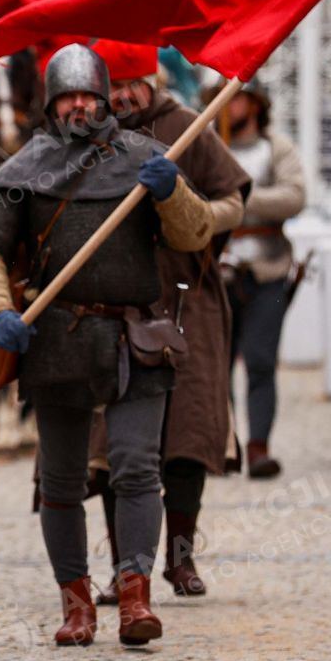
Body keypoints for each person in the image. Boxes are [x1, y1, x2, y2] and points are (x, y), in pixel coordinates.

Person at [0, 44, 219, 648]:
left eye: (88, 95)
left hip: (136, 334)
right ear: (51, 104)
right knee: (61, 481)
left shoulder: (147, 158)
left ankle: (135, 598)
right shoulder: (24, 168)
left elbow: (196, 234)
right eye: (67, 97)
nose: (78, 106)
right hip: (58, 337)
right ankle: (76, 605)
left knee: (137, 469)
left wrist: (172, 194)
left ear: (105, 100)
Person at [93, 46, 247, 602]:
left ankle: (179, 560)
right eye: (113, 85)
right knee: (112, 448)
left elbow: (233, 202)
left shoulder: (187, 126)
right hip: (111, 304)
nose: (123, 95)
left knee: (186, 438)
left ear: (151, 79)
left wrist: (191, 210)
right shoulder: (86, 136)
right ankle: (125, 569)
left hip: (185, 300)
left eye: (132, 83)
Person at [213, 82, 305, 488]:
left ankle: (258, 447)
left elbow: (295, 196)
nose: (230, 106)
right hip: (218, 269)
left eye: (237, 97)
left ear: (253, 103)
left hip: (268, 269)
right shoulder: (210, 146)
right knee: (218, 365)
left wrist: (242, 198)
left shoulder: (275, 148)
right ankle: (225, 445)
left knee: (261, 360)